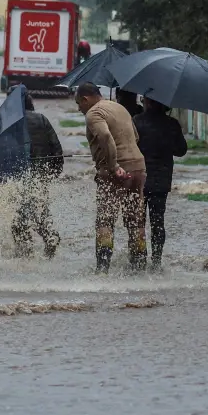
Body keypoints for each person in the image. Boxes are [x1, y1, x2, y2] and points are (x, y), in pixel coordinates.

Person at [74, 82, 147, 273]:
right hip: (138, 168)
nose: (78, 108)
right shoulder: (120, 108)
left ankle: (102, 271)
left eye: (78, 104)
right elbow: (136, 138)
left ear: (85, 99)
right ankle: (139, 268)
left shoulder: (94, 113)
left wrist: (114, 166)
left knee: (105, 220)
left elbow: (106, 137)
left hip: (114, 172)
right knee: (136, 220)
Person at [133, 97, 188, 271]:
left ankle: (139, 262)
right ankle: (156, 262)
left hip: (139, 179)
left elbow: (128, 146)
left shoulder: (136, 122)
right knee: (158, 223)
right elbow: (181, 150)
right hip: (161, 181)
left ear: (148, 102)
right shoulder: (172, 124)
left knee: (137, 222)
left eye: (143, 99)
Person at [11, 90, 64, 258]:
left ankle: (24, 254)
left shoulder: (10, 124)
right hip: (40, 174)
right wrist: (54, 172)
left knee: (19, 215)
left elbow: (3, 153)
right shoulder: (41, 119)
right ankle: (50, 237)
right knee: (40, 209)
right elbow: (56, 148)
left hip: (17, 177)